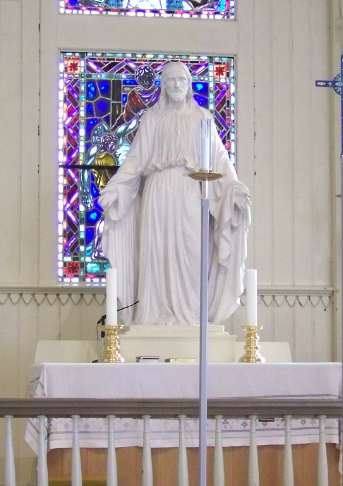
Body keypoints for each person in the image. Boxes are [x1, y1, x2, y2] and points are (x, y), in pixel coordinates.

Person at [98, 61, 250, 325]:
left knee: (192, 253)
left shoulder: (202, 117)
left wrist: (234, 188)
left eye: (182, 80)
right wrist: (116, 188)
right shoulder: (152, 118)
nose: (177, 85)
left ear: (189, 84)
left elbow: (219, 160)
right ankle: (153, 315)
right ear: (164, 86)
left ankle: (191, 317)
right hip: (158, 192)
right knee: (157, 252)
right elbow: (135, 161)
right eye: (171, 80)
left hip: (191, 191)